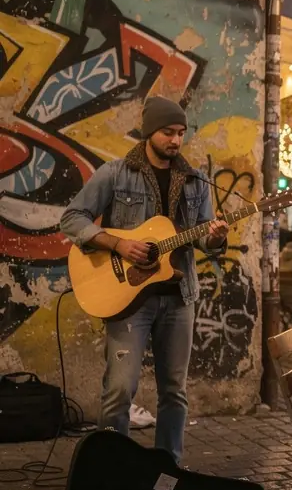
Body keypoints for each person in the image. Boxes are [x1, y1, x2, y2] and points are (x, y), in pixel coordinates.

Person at [60, 96, 228, 463]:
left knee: (175, 391)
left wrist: (215, 237)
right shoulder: (116, 173)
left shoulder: (196, 181)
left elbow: (203, 236)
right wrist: (118, 244)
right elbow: (72, 218)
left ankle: (167, 471)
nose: (176, 140)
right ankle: (111, 469)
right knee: (120, 390)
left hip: (179, 297)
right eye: (168, 132)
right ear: (149, 132)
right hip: (128, 299)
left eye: (181, 133)